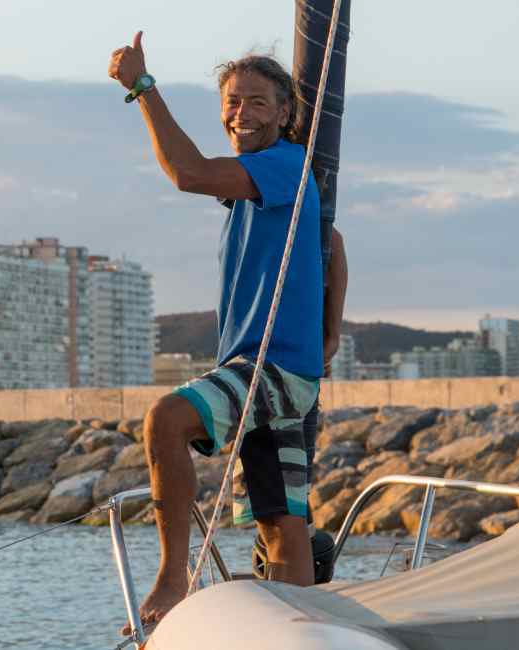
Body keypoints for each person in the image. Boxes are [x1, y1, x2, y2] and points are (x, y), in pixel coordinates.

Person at [109, 32, 344, 632]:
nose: (242, 113)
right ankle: (298, 632)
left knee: (166, 420)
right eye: (233, 101)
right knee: (279, 520)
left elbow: (188, 173)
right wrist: (331, 335)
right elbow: (334, 242)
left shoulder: (285, 165)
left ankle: (172, 578)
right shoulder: (260, 186)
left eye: (258, 102)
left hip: (271, 369)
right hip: (273, 369)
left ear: (286, 113)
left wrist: (143, 88)